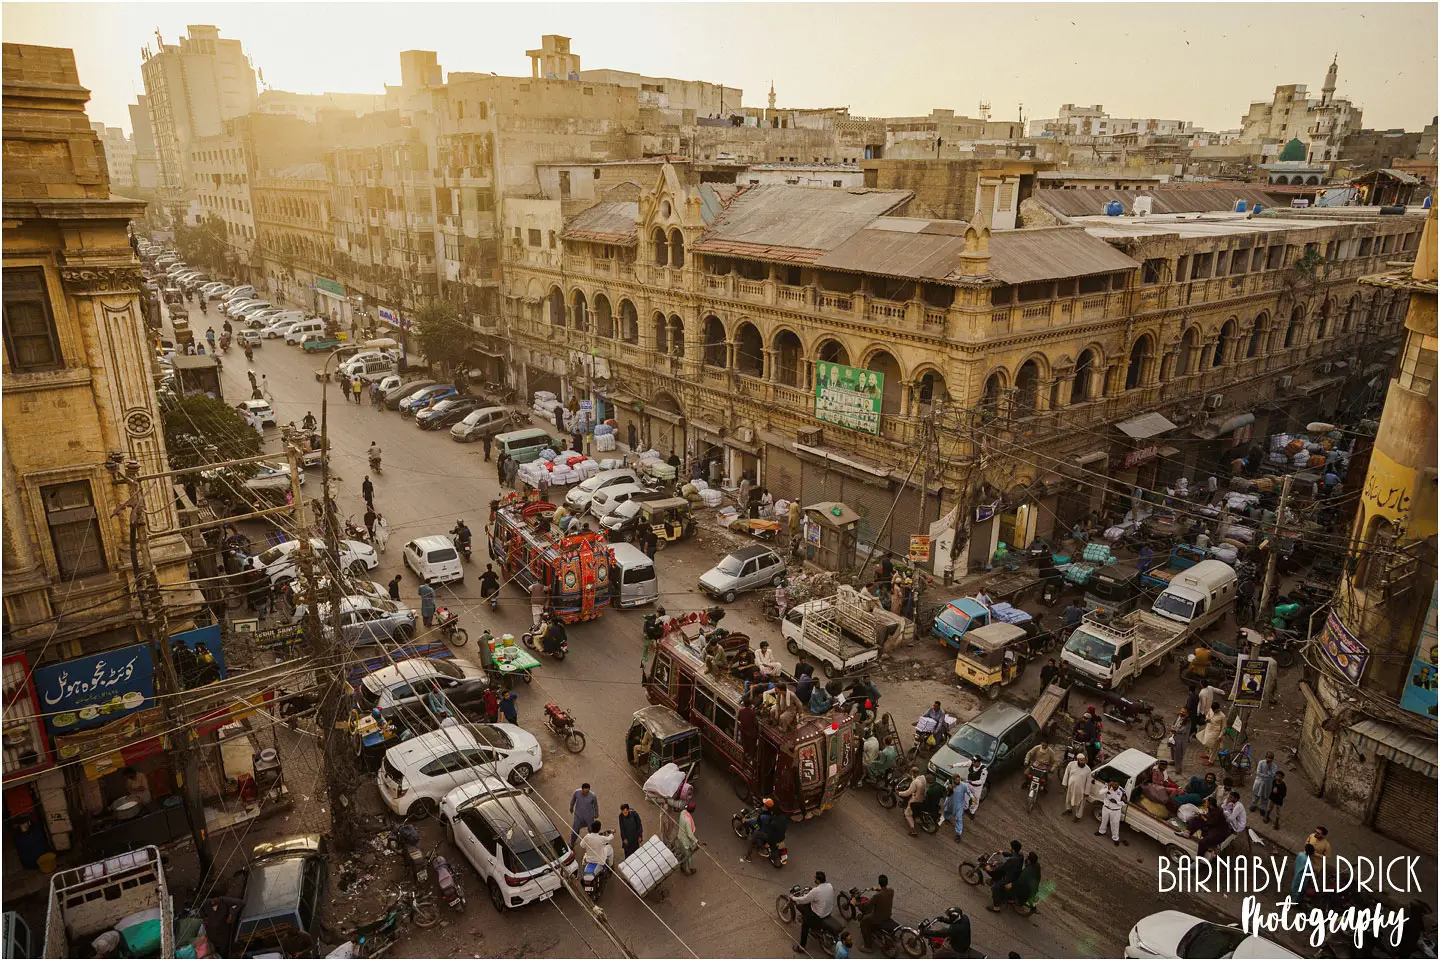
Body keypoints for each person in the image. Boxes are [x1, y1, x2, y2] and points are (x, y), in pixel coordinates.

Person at [791, 871, 836, 955]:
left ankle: (802, 947)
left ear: (818, 880)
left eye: (815, 877)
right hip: (828, 911)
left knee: (805, 926)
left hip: (818, 915)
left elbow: (804, 899)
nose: (814, 878)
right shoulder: (829, 886)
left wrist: (793, 898)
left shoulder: (816, 891)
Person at [988, 845, 1026, 912]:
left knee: (995, 887)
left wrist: (992, 868)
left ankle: (996, 907)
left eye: (1011, 847)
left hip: (1010, 878)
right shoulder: (1020, 855)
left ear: (1013, 849)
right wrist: (1002, 852)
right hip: (1016, 874)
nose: (1010, 848)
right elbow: (1011, 854)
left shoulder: (1012, 860)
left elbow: (1002, 868)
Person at [942, 777, 976, 843]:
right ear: (953, 780)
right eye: (957, 780)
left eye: (959, 780)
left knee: (958, 818)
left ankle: (958, 834)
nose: (958, 781)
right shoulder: (949, 783)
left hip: (959, 805)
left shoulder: (963, 785)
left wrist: (972, 797)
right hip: (950, 802)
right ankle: (947, 819)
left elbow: (969, 792)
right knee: (947, 811)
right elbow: (944, 786)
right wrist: (947, 787)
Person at [1061, 751, 1092, 821]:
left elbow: (1088, 782)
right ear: (1077, 760)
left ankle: (1078, 816)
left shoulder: (1088, 770)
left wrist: (1087, 792)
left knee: (1080, 804)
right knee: (1068, 799)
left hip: (1081, 790)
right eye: (1081, 760)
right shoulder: (1071, 764)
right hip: (1071, 787)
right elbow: (1066, 773)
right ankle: (1069, 810)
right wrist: (1064, 783)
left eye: (1084, 761)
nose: (1082, 762)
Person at [1097, 779, 1125, 845]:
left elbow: (1125, 803)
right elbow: (1100, 792)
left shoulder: (1122, 791)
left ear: (1118, 785)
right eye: (1113, 785)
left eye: (1116, 786)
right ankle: (1101, 831)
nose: (1114, 787)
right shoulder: (1107, 787)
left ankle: (1115, 838)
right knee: (1104, 821)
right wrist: (1108, 789)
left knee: (1115, 824)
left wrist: (1117, 802)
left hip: (1116, 811)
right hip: (1106, 808)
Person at [674, 801, 699, 874]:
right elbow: (690, 835)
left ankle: (682, 866)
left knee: (682, 853)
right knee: (688, 857)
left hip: (680, 836)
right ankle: (687, 870)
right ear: (693, 810)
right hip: (685, 841)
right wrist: (696, 841)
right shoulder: (688, 821)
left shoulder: (683, 813)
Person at [1250, 751, 1278, 816]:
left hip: (1267, 785)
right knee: (1256, 795)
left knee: (1265, 797)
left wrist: (1269, 769)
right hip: (1259, 783)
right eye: (1268, 758)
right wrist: (1268, 775)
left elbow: (1273, 775)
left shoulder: (1274, 766)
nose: (1269, 759)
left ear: (1273, 759)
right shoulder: (1261, 763)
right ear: (1265, 757)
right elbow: (1258, 773)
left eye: (1271, 758)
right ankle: (1254, 805)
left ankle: (1262, 808)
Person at [1168, 708, 1190, 773]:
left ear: (1187, 714)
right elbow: (1174, 723)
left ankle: (1178, 768)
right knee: (1173, 750)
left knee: (1179, 754)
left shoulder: (1188, 721)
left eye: (1184, 712)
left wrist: (1175, 730)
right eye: (1181, 711)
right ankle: (1174, 761)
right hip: (1174, 737)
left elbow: (1184, 730)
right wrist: (1172, 727)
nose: (1182, 713)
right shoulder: (1179, 716)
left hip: (1181, 740)